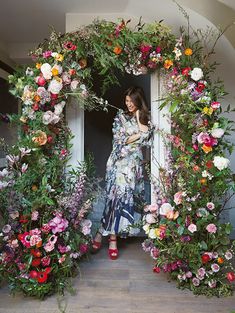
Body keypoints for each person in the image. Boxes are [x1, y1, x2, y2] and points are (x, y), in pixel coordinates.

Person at [92, 86, 152, 260]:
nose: (129, 104)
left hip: (133, 168)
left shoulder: (145, 118)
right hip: (117, 164)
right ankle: (112, 240)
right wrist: (138, 135)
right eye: (126, 101)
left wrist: (139, 123)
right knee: (114, 199)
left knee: (123, 202)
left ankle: (100, 233)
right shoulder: (120, 117)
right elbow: (119, 139)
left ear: (138, 101)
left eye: (132, 101)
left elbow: (148, 138)